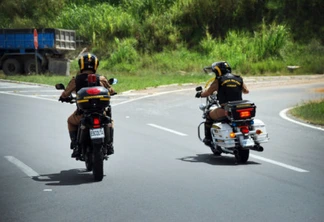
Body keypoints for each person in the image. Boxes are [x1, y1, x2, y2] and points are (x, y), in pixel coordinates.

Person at [59, 53, 115, 158]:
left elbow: (65, 94)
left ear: (81, 65)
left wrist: (64, 97)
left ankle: (75, 145)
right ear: (95, 65)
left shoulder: (75, 80)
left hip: (82, 114)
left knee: (70, 121)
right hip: (100, 113)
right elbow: (111, 91)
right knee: (110, 121)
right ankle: (109, 145)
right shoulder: (101, 79)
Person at [195, 61, 249, 146]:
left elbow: (207, 93)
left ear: (218, 71)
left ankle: (208, 138)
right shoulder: (238, 78)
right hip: (239, 108)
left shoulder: (219, 81)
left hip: (225, 110)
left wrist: (200, 94)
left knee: (208, 115)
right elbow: (246, 91)